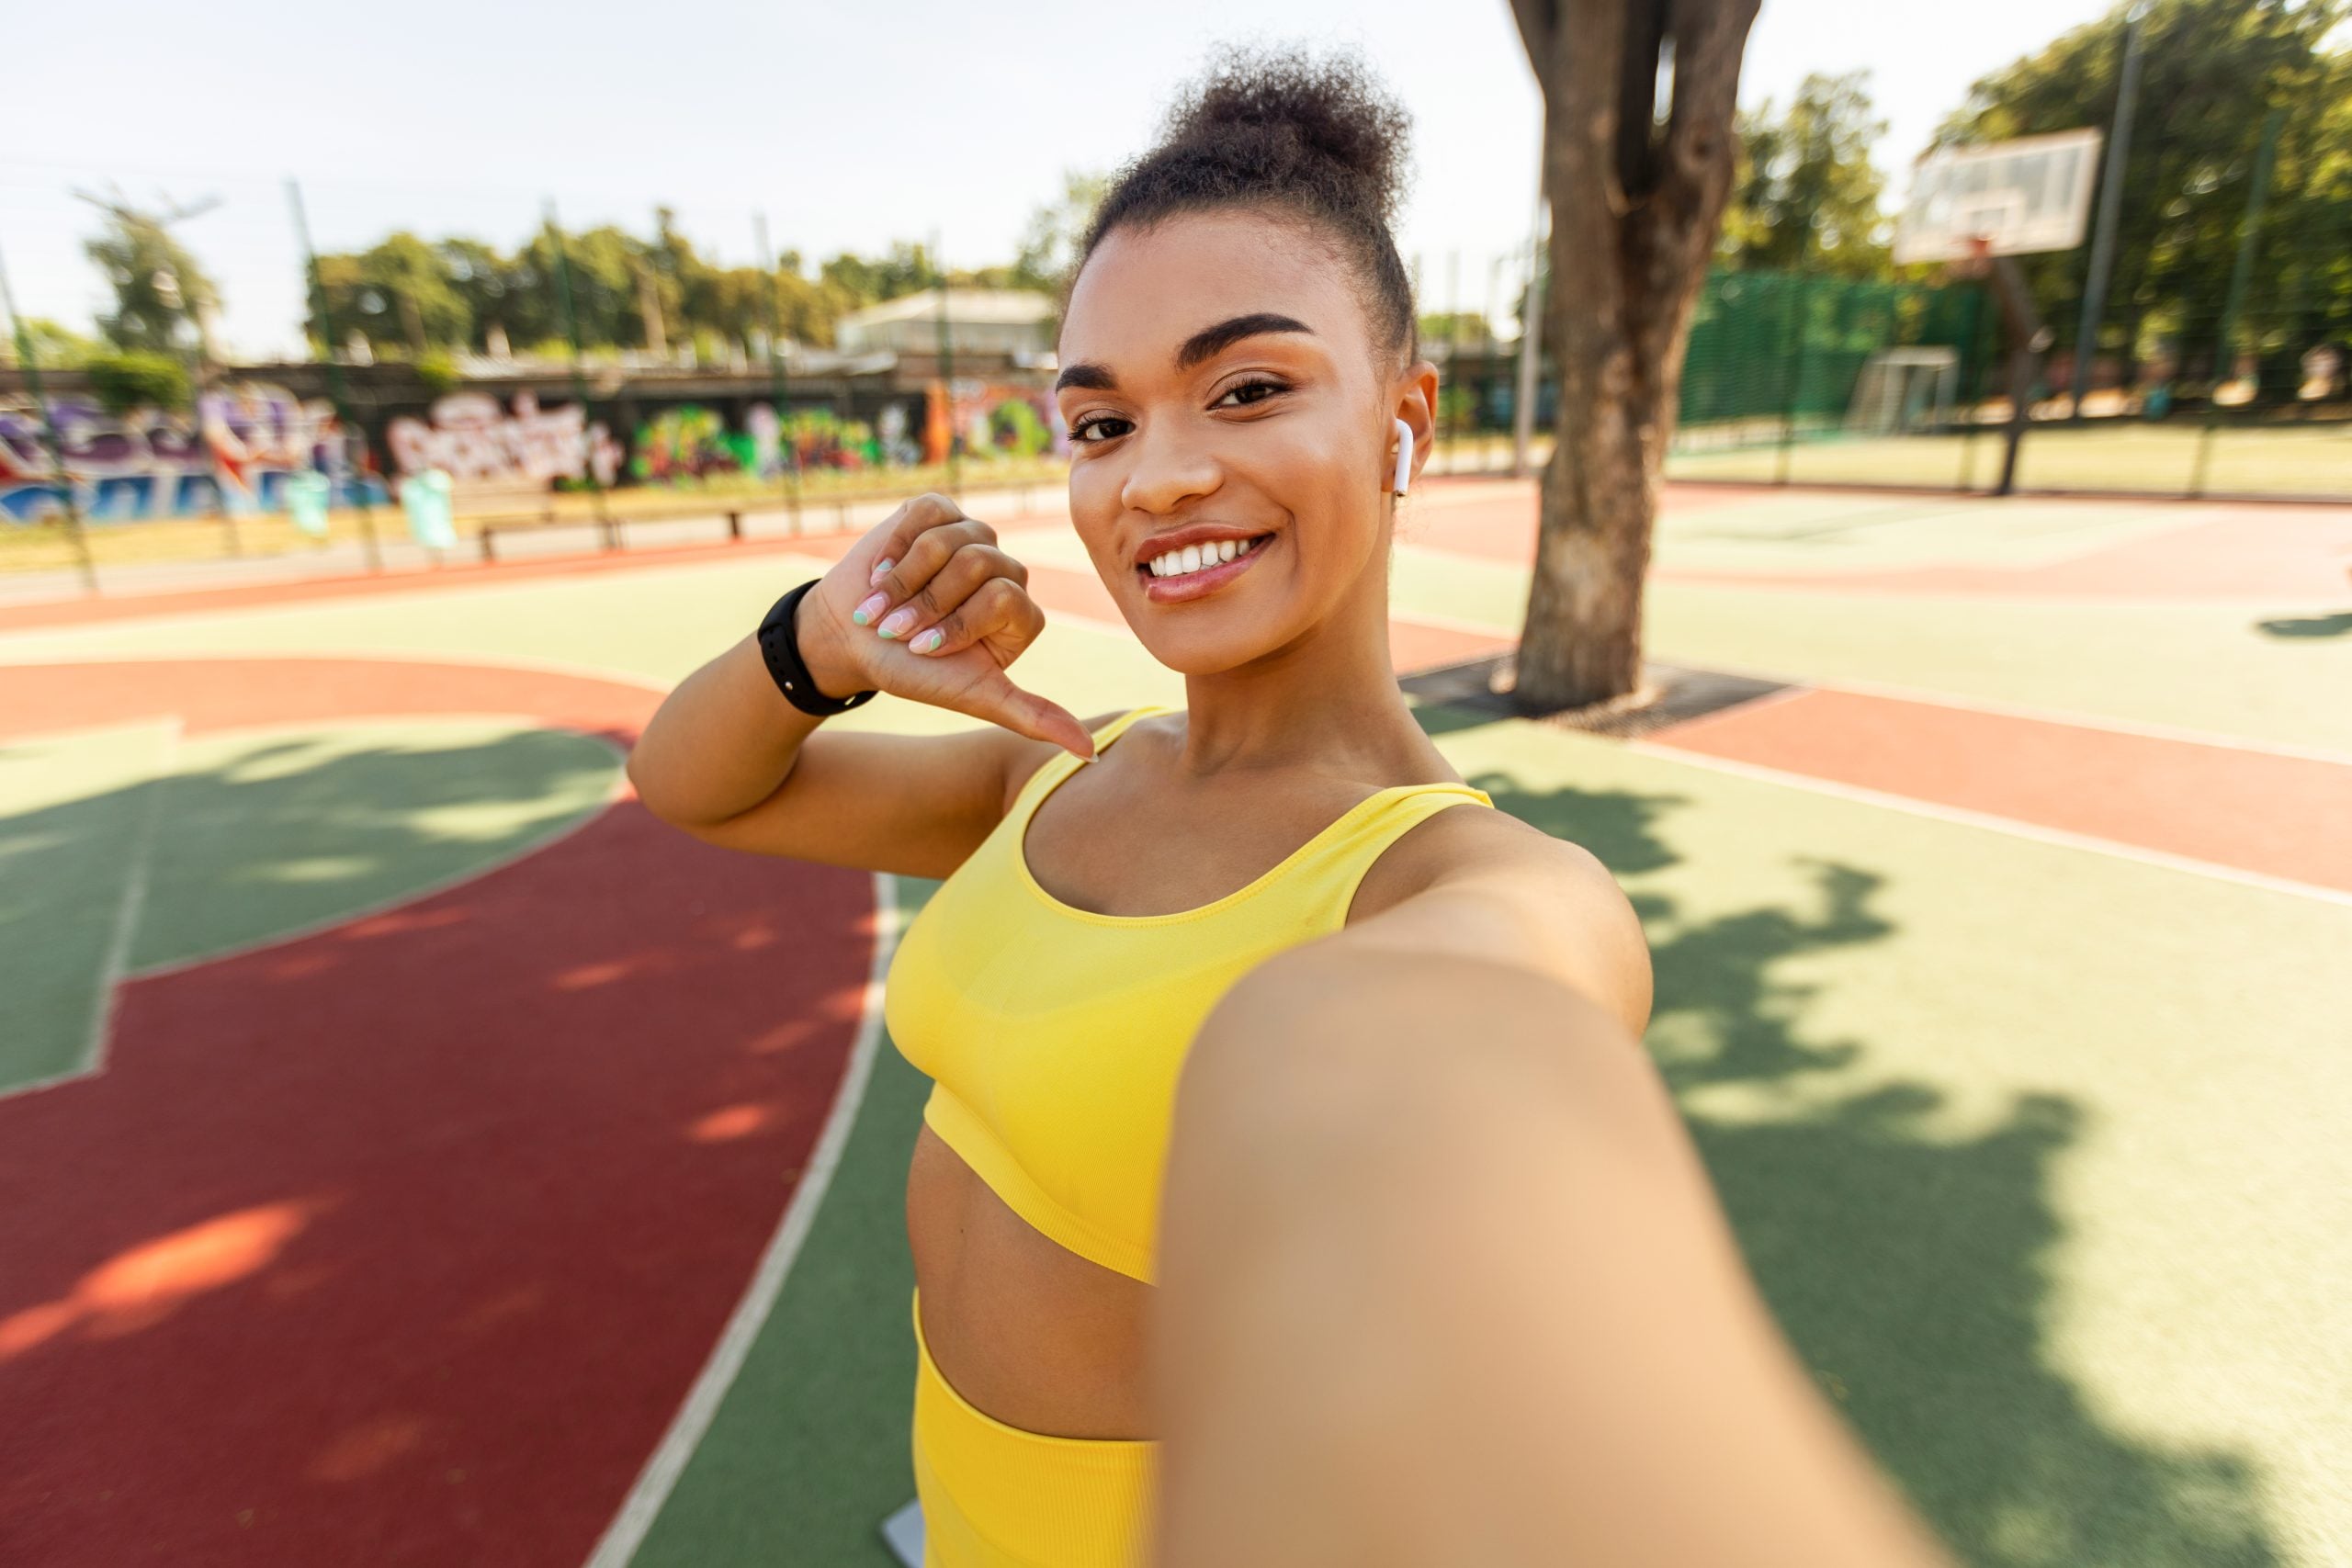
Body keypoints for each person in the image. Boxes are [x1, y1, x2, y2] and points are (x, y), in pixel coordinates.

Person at [628, 43, 1955, 1568]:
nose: (1157, 479)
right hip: (963, 1485)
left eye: (1246, 389)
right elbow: (696, 790)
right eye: (1101, 423)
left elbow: (1435, 1040)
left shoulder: (1466, 885)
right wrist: (816, 642)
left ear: (1408, 419)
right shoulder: (1053, 760)